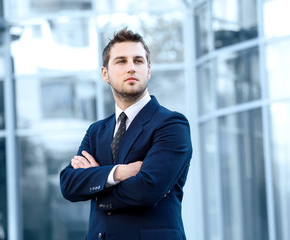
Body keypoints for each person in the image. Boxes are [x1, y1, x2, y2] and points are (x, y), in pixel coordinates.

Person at [60, 28, 192, 240]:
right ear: (105, 73)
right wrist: (119, 173)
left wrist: (97, 183)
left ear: (148, 70)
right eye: (121, 61)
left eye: (138, 61)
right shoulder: (97, 131)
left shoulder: (171, 124)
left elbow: (147, 190)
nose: (131, 67)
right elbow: (69, 184)